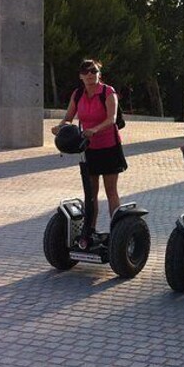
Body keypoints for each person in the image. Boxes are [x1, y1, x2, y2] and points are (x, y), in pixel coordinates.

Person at [52, 59, 127, 242]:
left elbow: (112, 118)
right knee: (90, 193)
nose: (89, 75)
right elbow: (69, 117)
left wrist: (94, 129)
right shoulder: (78, 94)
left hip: (109, 147)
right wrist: (61, 126)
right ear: (80, 76)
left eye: (93, 71)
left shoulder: (108, 92)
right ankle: (89, 231)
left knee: (111, 191)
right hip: (88, 149)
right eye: (85, 72)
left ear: (99, 73)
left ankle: (117, 233)